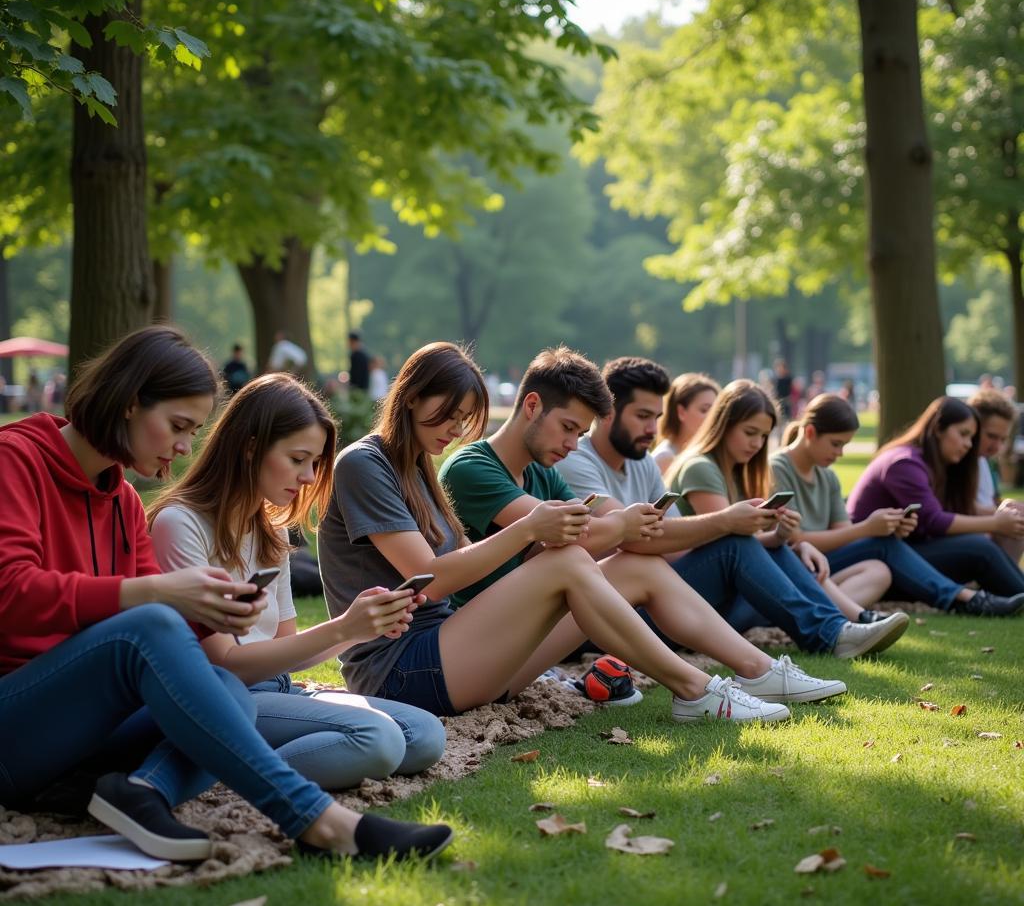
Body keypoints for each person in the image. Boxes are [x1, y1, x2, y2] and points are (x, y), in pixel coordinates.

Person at [0, 326, 452, 864]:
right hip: (18, 726)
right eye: (177, 426)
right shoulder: (15, 458)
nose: (185, 446)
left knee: (226, 688)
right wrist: (161, 593)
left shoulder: (120, 501)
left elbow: (181, 652)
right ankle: (322, 824)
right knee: (164, 632)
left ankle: (131, 791)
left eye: (192, 430)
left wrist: (211, 608)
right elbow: (12, 591)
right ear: (127, 404)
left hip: (86, 737)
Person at [319, 342, 796, 727]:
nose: (456, 430)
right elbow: (431, 577)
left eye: (464, 419)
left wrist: (539, 555)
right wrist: (532, 532)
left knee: (622, 565)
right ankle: (696, 689)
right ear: (410, 396)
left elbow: (465, 564)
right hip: (399, 671)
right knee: (569, 562)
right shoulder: (366, 463)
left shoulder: (419, 468)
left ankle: (758, 672)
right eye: (447, 415)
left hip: (451, 654)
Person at [149, 373, 446, 790]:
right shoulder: (179, 525)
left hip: (281, 691)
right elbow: (225, 663)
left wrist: (360, 629)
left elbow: (283, 648)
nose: (309, 477)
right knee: (377, 739)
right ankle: (230, 769)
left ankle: (237, 759)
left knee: (425, 734)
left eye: (315, 463)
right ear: (250, 447)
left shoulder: (269, 530)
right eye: (297, 459)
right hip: (227, 699)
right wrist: (343, 627)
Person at [557, 358, 906, 660]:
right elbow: (637, 538)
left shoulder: (643, 463)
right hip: (605, 618)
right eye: (643, 416)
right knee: (735, 542)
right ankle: (833, 632)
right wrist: (726, 522)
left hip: (659, 600)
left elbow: (677, 548)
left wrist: (772, 537)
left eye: (657, 417)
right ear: (607, 413)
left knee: (758, 545)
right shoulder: (577, 460)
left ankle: (836, 628)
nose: (653, 429)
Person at [666, 379, 910, 640]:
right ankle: (837, 629)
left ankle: (840, 625)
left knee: (792, 551)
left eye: (763, 436)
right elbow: (729, 541)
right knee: (760, 549)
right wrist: (783, 542)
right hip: (688, 597)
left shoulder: (739, 472)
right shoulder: (700, 467)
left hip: (719, 594)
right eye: (750, 433)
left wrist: (783, 537)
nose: (758, 444)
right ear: (724, 424)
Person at [773, 394, 1024, 617]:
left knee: (880, 565)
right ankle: (965, 599)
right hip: (798, 562)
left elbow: (844, 532)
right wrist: (868, 530)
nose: (840, 454)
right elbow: (795, 540)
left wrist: (889, 528)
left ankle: (969, 598)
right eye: (836, 444)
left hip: (834, 561)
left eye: (844, 445)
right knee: (976, 548)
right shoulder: (779, 468)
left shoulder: (827, 476)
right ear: (810, 433)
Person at [848, 396, 1024, 596]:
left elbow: (950, 509)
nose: (968, 445)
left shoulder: (934, 463)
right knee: (980, 548)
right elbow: (933, 520)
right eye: (963, 434)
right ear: (938, 428)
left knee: (985, 543)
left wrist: (1004, 514)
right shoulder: (904, 463)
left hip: (905, 548)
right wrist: (995, 523)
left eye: (971, 438)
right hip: (875, 556)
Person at [968, 388, 1024, 563]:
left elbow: (991, 501)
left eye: (1003, 439)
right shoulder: (957, 461)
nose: (997, 447)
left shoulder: (985, 462)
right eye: (991, 436)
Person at [651, 373, 720, 474]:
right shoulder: (665, 458)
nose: (711, 417)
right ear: (681, 412)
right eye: (704, 410)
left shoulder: (707, 456)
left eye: (715, 411)